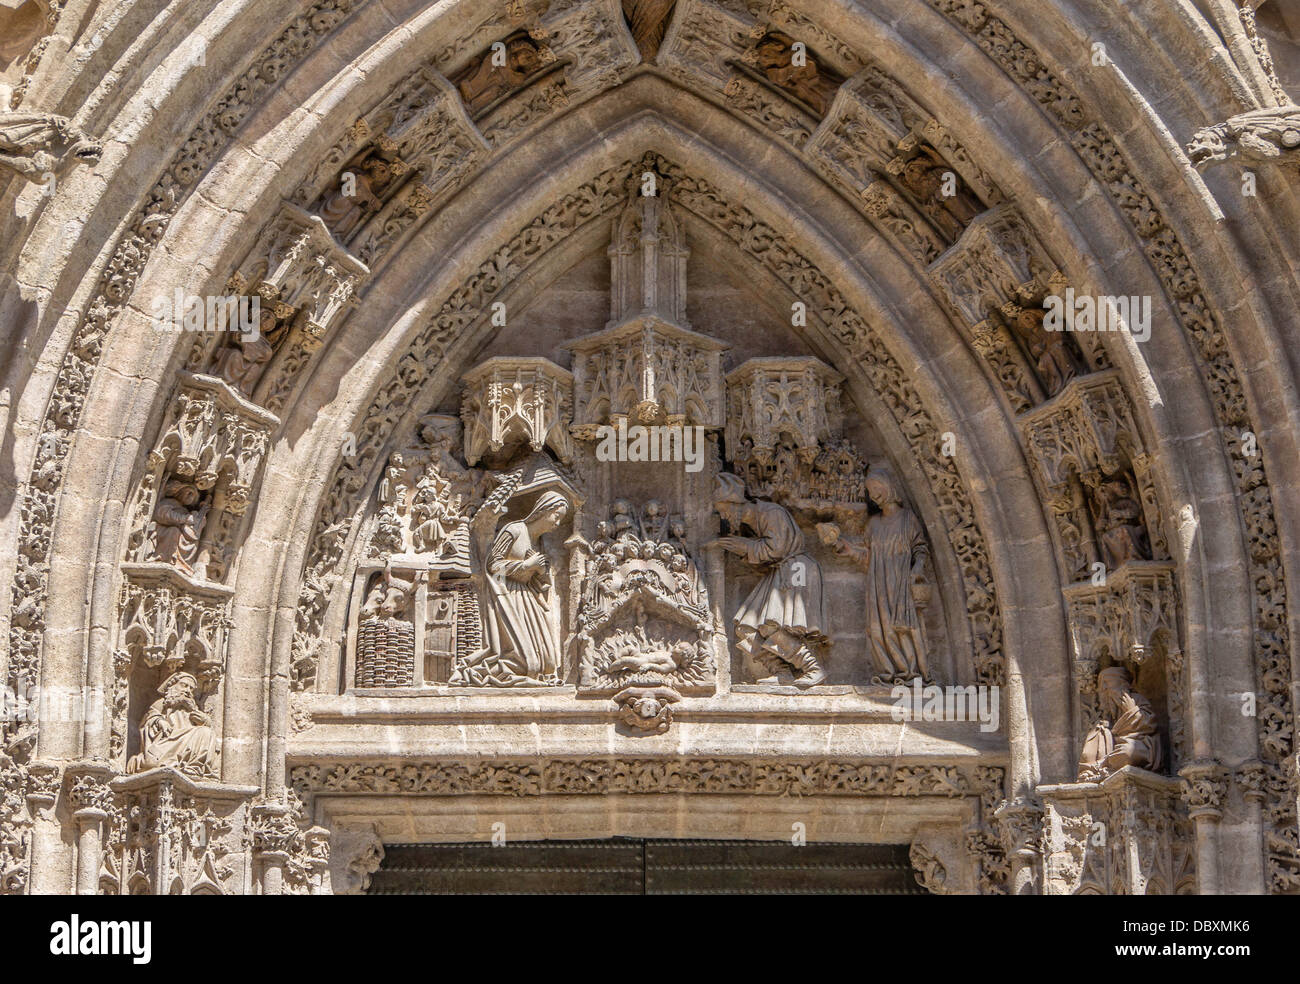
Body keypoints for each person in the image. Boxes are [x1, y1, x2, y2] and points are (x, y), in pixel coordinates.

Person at [711, 473, 828, 687]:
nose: (724, 516)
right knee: (746, 627)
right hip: (781, 570)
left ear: (733, 504)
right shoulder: (755, 520)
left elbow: (777, 548)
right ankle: (782, 672)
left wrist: (742, 545)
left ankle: (813, 667)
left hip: (796, 569)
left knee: (771, 624)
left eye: (722, 510)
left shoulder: (771, 512)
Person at [825, 468, 931, 684]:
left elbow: (920, 547)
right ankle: (888, 672)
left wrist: (918, 567)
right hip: (877, 584)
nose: (873, 495)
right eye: (870, 492)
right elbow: (868, 556)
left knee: (902, 627)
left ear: (888, 487)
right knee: (877, 629)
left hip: (900, 581)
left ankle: (911, 673)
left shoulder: (907, 519)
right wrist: (846, 548)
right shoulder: (873, 524)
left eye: (876, 489)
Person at [474, 491, 569, 685]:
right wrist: (526, 566)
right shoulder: (514, 530)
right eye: (556, 516)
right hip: (508, 595)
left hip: (528, 598)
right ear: (543, 510)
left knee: (549, 662)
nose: (557, 523)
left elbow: (538, 583)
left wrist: (541, 572)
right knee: (527, 662)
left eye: (561, 519)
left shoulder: (538, 542)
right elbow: (493, 565)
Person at [126, 672, 220, 778]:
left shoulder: (193, 708)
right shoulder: (163, 703)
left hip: (187, 740)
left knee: (206, 732)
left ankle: (193, 766)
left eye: (191, 689)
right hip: (168, 739)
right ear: (172, 686)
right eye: (184, 685)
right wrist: (160, 721)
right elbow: (149, 717)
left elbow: (205, 723)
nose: (187, 691)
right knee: (151, 763)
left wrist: (203, 719)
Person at [1078, 665, 1163, 780]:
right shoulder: (1106, 708)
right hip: (1113, 743)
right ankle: (1099, 767)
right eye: (1103, 687)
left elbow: (1149, 724)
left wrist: (1131, 710)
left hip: (1140, 743)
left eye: (1108, 684)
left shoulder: (1136, 700)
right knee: (1088, 753)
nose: (1105, 691)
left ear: (1121, 684)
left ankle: (1103, 766)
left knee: (1127, 753)